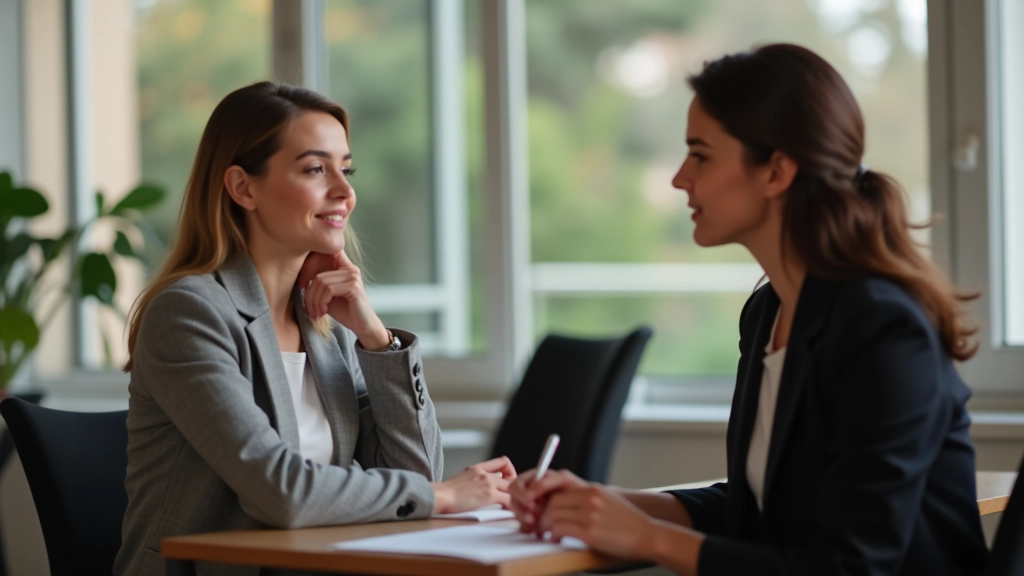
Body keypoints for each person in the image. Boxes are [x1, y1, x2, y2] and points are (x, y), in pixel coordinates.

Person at [509, 43, 989, 576]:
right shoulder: (768, 314)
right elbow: (753, 511)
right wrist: (601, 504)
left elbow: (852, 566)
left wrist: (649, 539)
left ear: (776, 172)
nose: (679, 178)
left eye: (700, 154)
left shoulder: (882, 327)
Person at [114, 82, 515, 576]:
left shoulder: (326, 324)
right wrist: (446, 495)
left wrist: (375, 337)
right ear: (243, 188)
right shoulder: (189, 313)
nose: (345, 192)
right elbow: (280, 493)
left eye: (345, 169)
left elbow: (416, 475)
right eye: (314, 169)